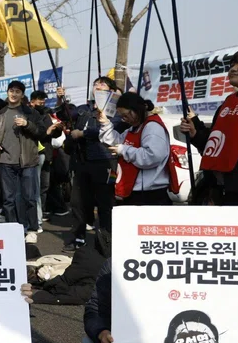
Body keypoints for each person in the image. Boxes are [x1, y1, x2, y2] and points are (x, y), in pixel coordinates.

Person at [180, 47, 238, 207]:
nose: (233, 69)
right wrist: (195, 133)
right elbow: (215, 142)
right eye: (231, 65)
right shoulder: (229, 101)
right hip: (222, 188)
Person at [0, 81, 44, 244]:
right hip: (5, 161)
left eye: (17, 91)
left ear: (22, 94)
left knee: (29, 197)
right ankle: (12, 227)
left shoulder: (30, 112)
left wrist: (27, 124)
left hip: (27, 160)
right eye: (11, 91)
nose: (13, 94)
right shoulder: (0, 114)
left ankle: (32, 228)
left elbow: (41, 133)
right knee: (9, 198)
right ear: (7, 93)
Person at [65, 76, 123, 251]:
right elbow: (66, 114)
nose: (98, 86)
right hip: (82, 161)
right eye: (95, 84)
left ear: (111, 90)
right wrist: (62, 100)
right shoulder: (84, 108)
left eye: (102, 84)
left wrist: (82, 134)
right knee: (78, 203)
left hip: (105, 161)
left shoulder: (114, 108)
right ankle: (78, 238)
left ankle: (106, 240)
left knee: (105, 203)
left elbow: (110, 128)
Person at [99, 93, 172, 206]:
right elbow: (117, 141)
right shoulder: (134, 128)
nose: (124, 120)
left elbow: (152, 156)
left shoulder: (152, 127)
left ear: (136, 110)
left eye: (125, 115)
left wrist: (124, 150)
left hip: (151, 194)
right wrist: (105, 124)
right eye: (121, 116)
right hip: (135, 190)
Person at [29, 90, 65, 223]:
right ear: (32, 101)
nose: (42, 102)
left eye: (43, 99)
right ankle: (34, 214)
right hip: (34, 153)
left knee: (44, 185)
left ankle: (41, 211)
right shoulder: (28, 114)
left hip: (47, 154)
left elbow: (53, 135)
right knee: (34, 186)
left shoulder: (46, 114)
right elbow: (36, 132)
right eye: (39, 100)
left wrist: (58, 129)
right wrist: (47, 131)